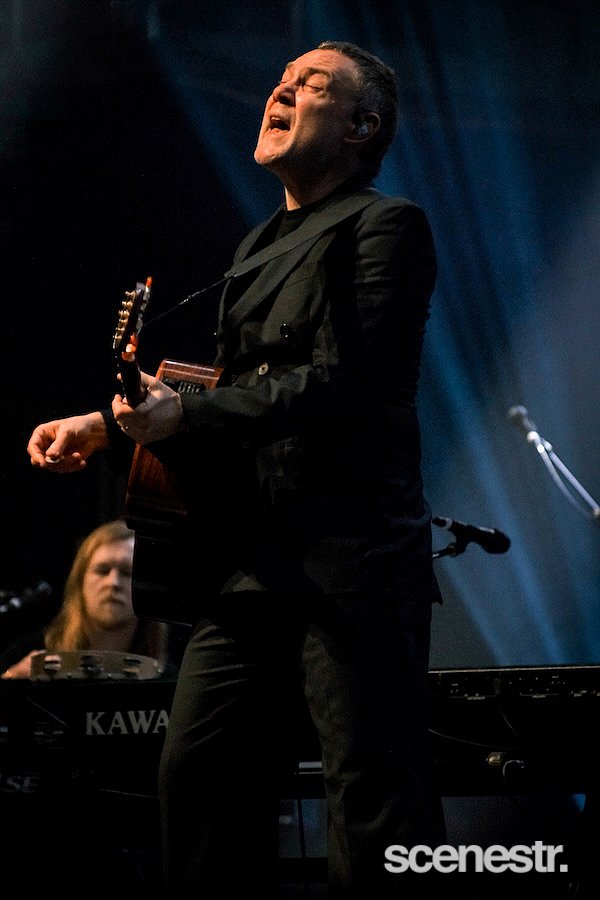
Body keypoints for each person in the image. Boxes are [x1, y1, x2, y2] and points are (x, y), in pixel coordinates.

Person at [26, 40, 447, 898]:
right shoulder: (258, 243)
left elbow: (344, 385)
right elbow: (224, 398)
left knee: (371, 799)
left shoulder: (386, 226)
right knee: (199, 777)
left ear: (361, 126)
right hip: (248, 568)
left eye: (310, 85)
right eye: (281, 80)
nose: (280, 91)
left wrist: (183, 415)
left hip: (349, 568)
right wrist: (108, 428)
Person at [0, 518, 175, 679]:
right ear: (80, 582)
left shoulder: (171, 679)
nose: (113, 582)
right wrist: (12, 682)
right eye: (102, 570)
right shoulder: (26, 655)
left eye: (127, 572)